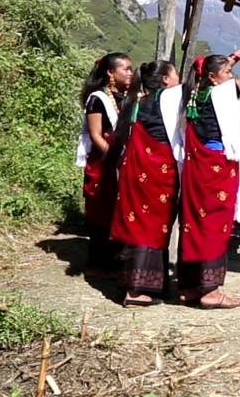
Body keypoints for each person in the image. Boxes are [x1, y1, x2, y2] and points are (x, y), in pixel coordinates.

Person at [177, 37, 240, 309]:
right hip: (217, 168)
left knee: (194, 222)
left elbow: (223, 66)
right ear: (213, 77)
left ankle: (190, 287)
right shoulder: (223, 92)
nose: (231, 75)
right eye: (227, 73)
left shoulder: (196, 92)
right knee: (215, 224)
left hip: (198, 167)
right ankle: (210, 291)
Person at [107, 60, 182, 307]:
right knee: (152, 225)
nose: (179, 79)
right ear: (165, 81)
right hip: (158, 172)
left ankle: (133, 283)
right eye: (175, 75)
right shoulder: (170, 100)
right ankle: (138, 291)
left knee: (137, 221)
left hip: (136, 170)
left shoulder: (136, 102)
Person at [75, 52, 134, 280]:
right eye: (125, 69)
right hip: (104, 160)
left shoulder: (127, 96)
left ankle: (115, 260)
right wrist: (114, 157)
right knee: (101, 208)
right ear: (110, 72)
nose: (130, 73)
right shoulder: (98, 99)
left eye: (131, 69)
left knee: (120, 207)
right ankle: (96, 264)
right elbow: (96, 134)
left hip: (123, 156)